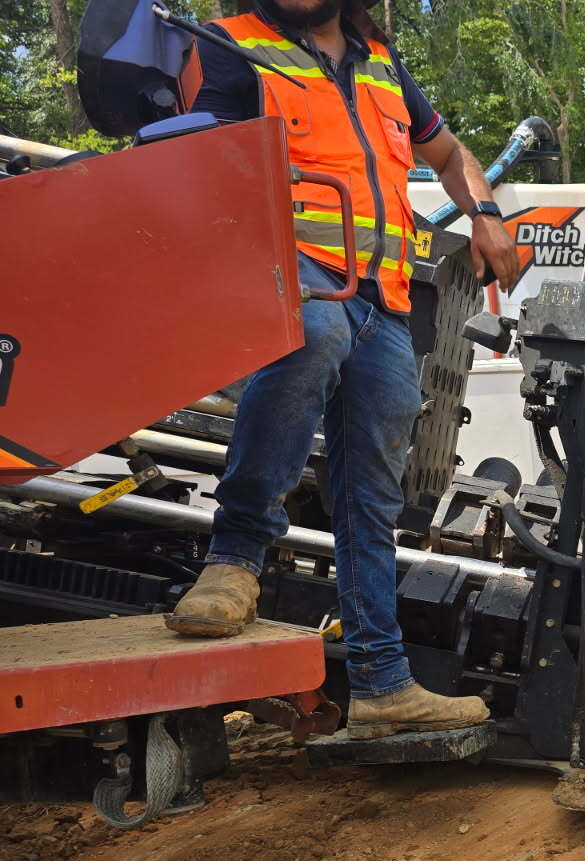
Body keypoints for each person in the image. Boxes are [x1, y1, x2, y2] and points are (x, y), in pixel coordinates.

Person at [165, 0, 519, 740]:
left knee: (374, 492)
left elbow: (449, 155)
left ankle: (382, 684)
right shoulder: (231, 46)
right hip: (298, 277)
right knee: (312, 333)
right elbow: (203, 164)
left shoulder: (384, 65)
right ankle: (232, 560)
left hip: (384, 300)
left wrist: (484, 210)